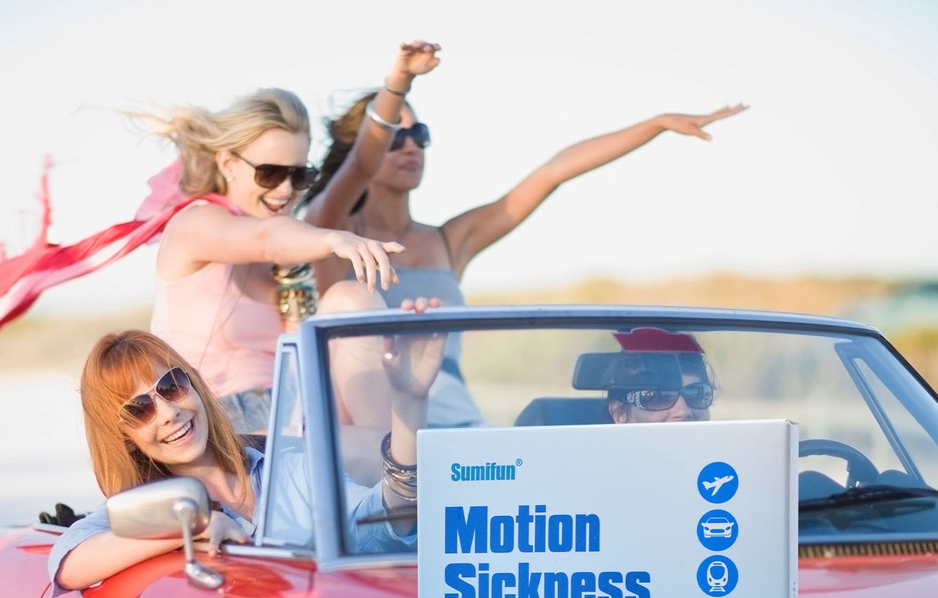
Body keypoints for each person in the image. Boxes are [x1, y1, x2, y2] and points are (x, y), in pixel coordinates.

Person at [301, 43, 746, 426]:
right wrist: (400, 82)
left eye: (420, 134)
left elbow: (552, 173)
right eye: (394, 137)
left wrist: (655, 124)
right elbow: (359, 165)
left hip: (456, 416)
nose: (412, 145)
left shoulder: (450, 240)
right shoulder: (331, 234)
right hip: (379, 418)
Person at [48, 323, 443, 591]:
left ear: (194, 384)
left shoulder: (287, 470)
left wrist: (410, 401)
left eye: (171, 385)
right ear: (126, 437)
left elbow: (385, 521)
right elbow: (68, 564)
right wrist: (191, 529)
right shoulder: (141, 509)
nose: (168, 412)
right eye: (140, 409)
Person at [126, 87, 408, 433]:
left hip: (295, 408)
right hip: (219, 419)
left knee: (351, 298)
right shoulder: (195, 224)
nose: (286, 190)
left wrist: (400, 82)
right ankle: (378, 453)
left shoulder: (295, 249)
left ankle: (385, 453)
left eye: (300, 175)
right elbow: (264, 239)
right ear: (228, 164)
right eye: (270, 173)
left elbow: (359, 169)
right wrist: (335, 239)